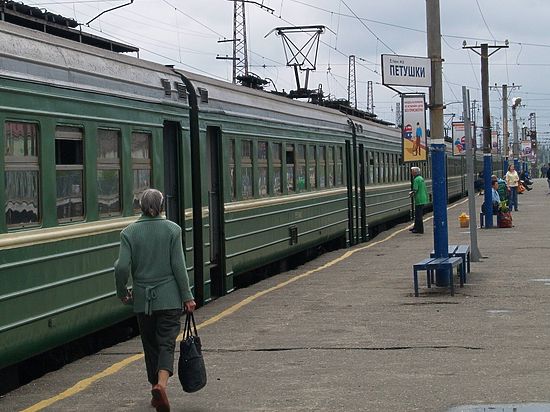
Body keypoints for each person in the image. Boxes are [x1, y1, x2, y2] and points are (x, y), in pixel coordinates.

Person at [115, 189, 196, 412]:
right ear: (162, 207)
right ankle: (161, 385)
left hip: (142, 300)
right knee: (166, 343)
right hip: (169, 298)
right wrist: (187, 297)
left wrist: (122, 292)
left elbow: (121, 266)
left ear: (140, 206)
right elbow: (178, 267)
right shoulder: (173, 230)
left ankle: (154, 389)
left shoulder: (128, 233)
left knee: (150, 345)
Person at [409, 166, 428, 234]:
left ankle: (419, 230)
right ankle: (416, 227)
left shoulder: (416, 179)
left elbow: (415, 189)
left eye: (412, 171)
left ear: (415, 172)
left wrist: (411, 193)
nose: (411, 173)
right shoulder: (421, 178)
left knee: (418, 216)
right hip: (422, 198)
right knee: (418, 215)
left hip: (419, 199)